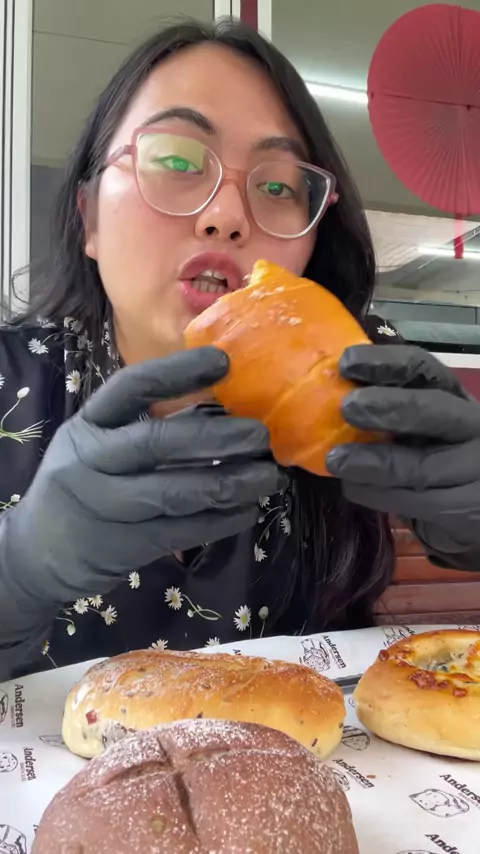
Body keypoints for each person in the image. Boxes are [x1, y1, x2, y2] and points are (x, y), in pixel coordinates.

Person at [1, 20, 479, 682]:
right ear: (89, 218)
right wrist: (17, 573)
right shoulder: (11, 382)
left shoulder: (364, 379)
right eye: (175, 161)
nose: (226, 216)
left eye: (278, 186)